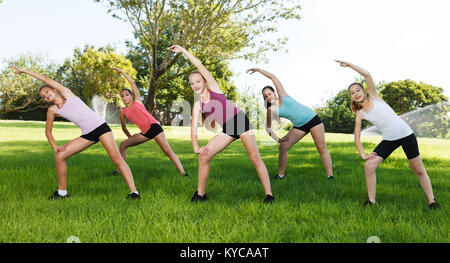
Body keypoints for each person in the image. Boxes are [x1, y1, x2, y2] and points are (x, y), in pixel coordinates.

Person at [9, 65, 141, 200]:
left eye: (47, 91)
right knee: (59, 156)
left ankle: (134, 192)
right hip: (87, 134)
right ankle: (62, 193)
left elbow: (44, 78)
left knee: (117, 159)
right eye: (43, 96)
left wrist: (24, 71)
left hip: (101, 127)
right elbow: (48, 131)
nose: (46, 95)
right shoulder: (53, 110)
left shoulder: (67, 93)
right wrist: (55, 147)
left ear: (54, 89)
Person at [167, 45, 274, 203]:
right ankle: (200, 195)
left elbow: (199, 66)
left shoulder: (214, 88)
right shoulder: (197, 104)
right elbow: (193, 128)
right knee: (203, 157)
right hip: (228, 128)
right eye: (191, 83)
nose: (195, 85)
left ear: (204, 81)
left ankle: (269, 195)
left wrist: (183, 51)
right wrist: (196, 147)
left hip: (240, 121)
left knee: (255, 158)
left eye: (198, 81)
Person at [335, 60, 439, 209]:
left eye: (358, 90)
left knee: (418, 169)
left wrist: (350, 65)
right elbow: (357, 137)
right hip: (389, 139)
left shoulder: (375, 97)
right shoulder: (360, 114)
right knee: (369, 165)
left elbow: (367, 74)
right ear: (351, 98)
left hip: (406, 134)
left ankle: (432, 202)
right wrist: (363, 154)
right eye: (352, 93)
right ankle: (371, 201)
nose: (356, 94)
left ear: (364, 91)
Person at [248, 68, 334, 180]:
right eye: (266, 96)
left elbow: (273, 76)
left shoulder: (283, 95)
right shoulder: (271, 110)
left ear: (274, 92)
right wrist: (277, 139)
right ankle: (280, 175)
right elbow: (267, 128)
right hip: (300, 126)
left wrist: (258, 70)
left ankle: (330, 176)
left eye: (270, 93)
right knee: (283, 146)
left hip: (313, 119)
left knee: (321, 147)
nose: (269, 97)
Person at [111, 67, 187, 176]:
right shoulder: (122, 111)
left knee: (167, 150)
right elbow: (124, 128)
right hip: (145, 132)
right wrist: (130, 137)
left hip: (154, 127)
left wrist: (121, 71)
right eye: (122, 96)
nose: (124, 97)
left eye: (127, 94)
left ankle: (183, 173)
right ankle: (119, 170)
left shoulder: (137, 101)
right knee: (123, 145)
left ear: (131, 96)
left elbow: (132, 82)